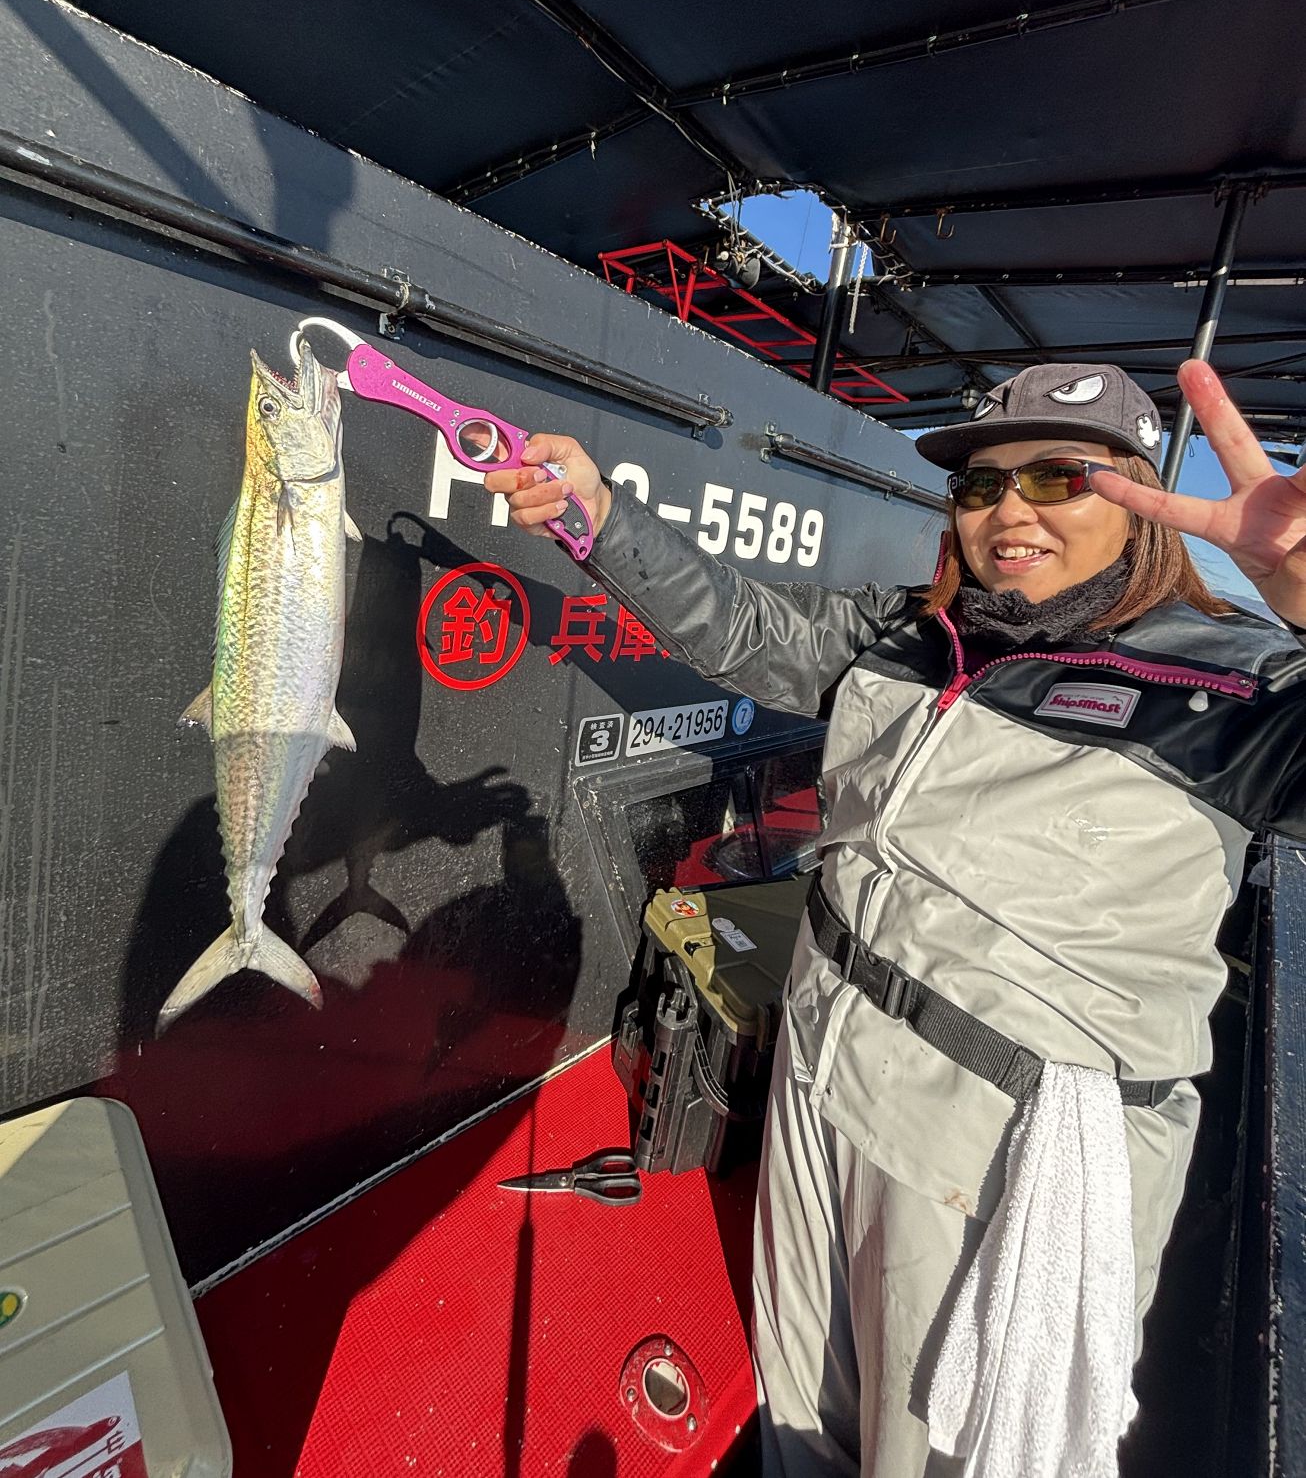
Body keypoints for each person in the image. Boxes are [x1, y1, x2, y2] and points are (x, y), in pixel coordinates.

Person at [486, 358, 1306, 1477]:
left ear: (1140, 503)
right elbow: (742, 626)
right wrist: (598, 516)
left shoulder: (1243, 688)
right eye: (981, 485)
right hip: (821, 1063)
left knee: (927, 1453)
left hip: (1001, 1146)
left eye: (1059, 477)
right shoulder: (913, 632)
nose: (1010, 509)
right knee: (796, 1408)